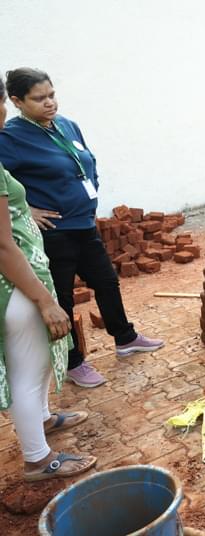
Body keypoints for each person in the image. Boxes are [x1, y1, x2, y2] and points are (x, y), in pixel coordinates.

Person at [0, 68, 163, 388]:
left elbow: (87, 161)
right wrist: (25, 209)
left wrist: (92, 190)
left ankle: (125, 337)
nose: (49, 103)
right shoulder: (11, 137)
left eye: (52, 95)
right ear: (17, 101)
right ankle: (74, 363)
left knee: (106, 281)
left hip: (84, 223)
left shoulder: (65, 124)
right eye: (39, 98)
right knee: (63, 296)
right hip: (55, 231)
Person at [0, 77, 97, 481]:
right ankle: (38, 459)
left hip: (23, 282)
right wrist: (43, 299)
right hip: (16, 289)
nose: (2, 112)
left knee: (37, 365)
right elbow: (4, 248)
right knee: (28, 368)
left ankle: (42, 418)